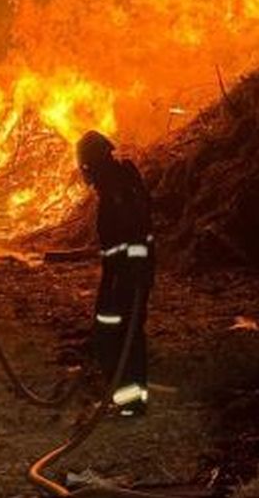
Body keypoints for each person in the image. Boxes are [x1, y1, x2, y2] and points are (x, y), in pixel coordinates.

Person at [77, 130, 153, 416]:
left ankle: (128, 403)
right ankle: (127, 400)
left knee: (116, 336)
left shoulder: (119, 193)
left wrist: (128, 279)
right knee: (119, 336)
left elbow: (134, 240)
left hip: (125, 279)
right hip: (121, 276)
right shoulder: (119, 185)